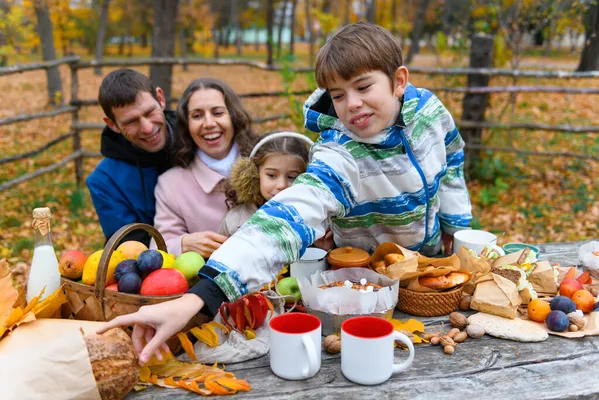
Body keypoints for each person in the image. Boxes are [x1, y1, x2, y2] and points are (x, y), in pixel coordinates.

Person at [99, 22, 472, 364]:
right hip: (364, 282)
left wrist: (456, 225)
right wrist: (201, 296)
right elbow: (285, 220)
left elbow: (452, 158)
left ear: (398, 80)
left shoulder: (430, 112)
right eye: (338, 95)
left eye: (363, 87)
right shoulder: (340, 153)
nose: (352, 104)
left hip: (431, 267)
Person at [151, 78, 260, 258]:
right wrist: (183, 243)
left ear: (233, 116)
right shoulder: (170, 185)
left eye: (218, 113)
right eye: (197, 116)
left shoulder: (264, 162)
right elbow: (158, 248)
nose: (208, 123)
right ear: (187, 125)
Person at [87, 69, 175, 246]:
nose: (147, 128)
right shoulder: (104, 182)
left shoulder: (198, 139)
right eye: (131, 121)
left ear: (161, 98)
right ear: (112, 124)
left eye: (150, 112)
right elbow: (131, 247)